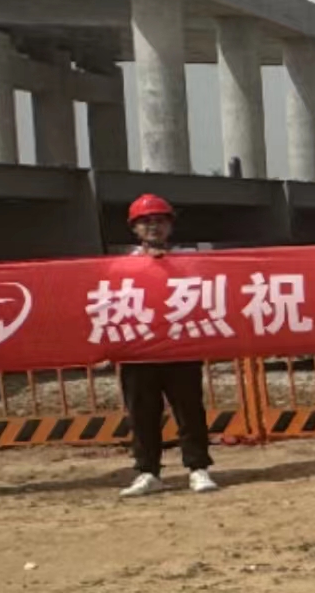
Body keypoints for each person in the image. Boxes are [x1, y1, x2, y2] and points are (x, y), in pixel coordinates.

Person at [117, 194, 219, 497]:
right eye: (146, 222)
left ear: (170, 226)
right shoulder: (122, 266)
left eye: (160, 221)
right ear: (135, 229)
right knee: (142, 413)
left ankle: (198, 467)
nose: (153, 227)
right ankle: (148, 471)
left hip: (180, 346)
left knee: (189, 410)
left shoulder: (189, 262)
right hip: (138, 351)